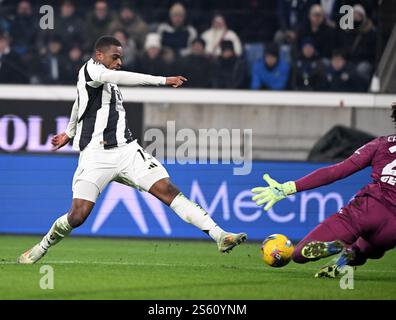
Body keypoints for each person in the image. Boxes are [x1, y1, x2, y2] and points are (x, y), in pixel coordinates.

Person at [17, 35, 246, 264]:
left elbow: (80, 102)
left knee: (166, 189)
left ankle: (220, 235)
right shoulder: (92, 71)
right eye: (115, 57)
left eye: (121, 58)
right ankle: (42, 246)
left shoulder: (104, 81)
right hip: (96, 156)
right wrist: (163, 81)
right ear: (99, 56)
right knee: (77, 216)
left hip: (127, 151)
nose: (119, 62)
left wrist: (69, 132)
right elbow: (122, 77)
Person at [251, 104, 396, 278]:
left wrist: (287, 188)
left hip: (368, 208)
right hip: (392, 230)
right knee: (367, 249)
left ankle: (335, 247)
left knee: (299, 254)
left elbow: (336, 172)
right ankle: (342, 262)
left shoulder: (382, 144)